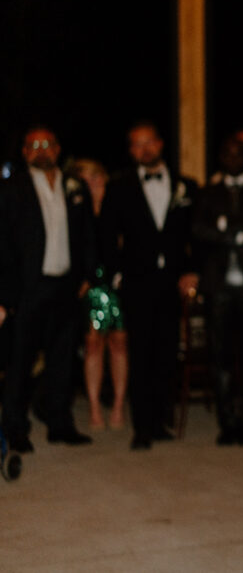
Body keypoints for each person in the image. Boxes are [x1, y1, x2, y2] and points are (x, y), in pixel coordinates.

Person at [101, 122, 199, 450]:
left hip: (172, 281)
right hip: (137, 281)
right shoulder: (119, 186)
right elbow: (107, 235)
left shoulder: (186, 186)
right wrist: (116, 275)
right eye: (136, 145)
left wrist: (192, 271)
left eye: (149, 143)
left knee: (167, 352)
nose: (144, 149)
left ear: (159, 144)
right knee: (140, 353)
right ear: (131, 151)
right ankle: (141, 426)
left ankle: (160, 421)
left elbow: (194, 236)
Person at [0, 125, 95, 452]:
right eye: (34, 145)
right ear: (25, 152)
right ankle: (15, 427)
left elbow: (86, 233)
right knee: (20, 361)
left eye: (47, 144)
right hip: (28, 288)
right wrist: (7, 294)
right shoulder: (12, 188)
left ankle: (60, 423)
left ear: (57, 149)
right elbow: (4, 243)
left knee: (63, 358)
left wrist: (86, 275)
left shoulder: (75, 185)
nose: (41, 150)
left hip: (66, 285)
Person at [192, 137, 243, 446]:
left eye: (238, 152)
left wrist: (223, 224)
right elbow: (198, 229)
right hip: (218, 285)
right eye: (226, 152)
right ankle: (227, 422)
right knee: (221, 356)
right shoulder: (208, 192)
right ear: (220, 157)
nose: (232, 157)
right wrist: (240, 231)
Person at [71, 158, 127, 432]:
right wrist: (81, 278)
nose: (92, 181)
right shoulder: (77, 206)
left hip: (119, 281)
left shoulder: (120, 201)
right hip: (90, 283)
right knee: (93, 343)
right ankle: (94, 406)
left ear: (104, 175)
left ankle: (118, 404)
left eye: (96, 175)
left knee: (119, 341)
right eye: (85, 178)